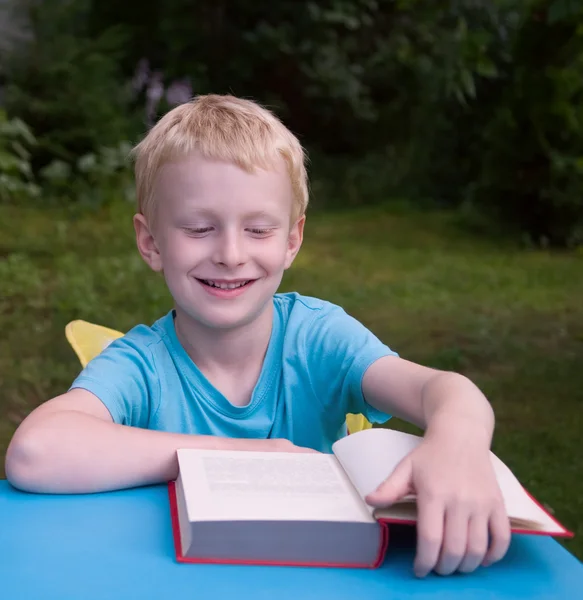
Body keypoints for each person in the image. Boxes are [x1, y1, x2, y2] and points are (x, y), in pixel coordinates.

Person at [5, 94, 510, 578]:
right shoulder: (141, 364)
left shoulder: (317, 337)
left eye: (259, 230)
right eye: (199, 228)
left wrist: (457, 446)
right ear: (150, 242)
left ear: (293, 240)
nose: (230, 253)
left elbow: (445, 391)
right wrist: (241, 456)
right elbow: (35, 452)